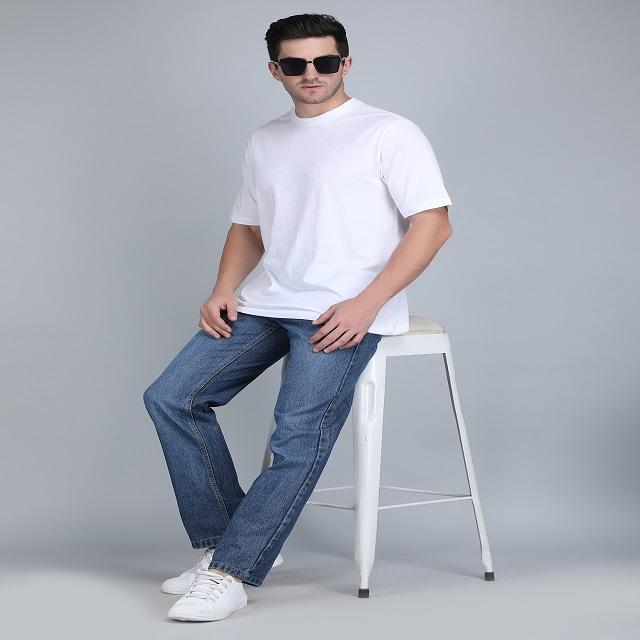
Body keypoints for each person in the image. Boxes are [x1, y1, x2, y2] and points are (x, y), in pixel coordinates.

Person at [143, 12, 453, 622]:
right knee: (172, 397)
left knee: (296, 436)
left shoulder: (389, 133)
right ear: (275, 70)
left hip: (342, 311)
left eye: (325, 62)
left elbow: (433, 225)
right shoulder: (265, 139)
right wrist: (223, 288)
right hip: (268, 301)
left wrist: (367, 303)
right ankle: (226, 543)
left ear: (346, 63)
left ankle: (232, 571)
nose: (311, 73)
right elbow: (248, 227)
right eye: (295, 64)